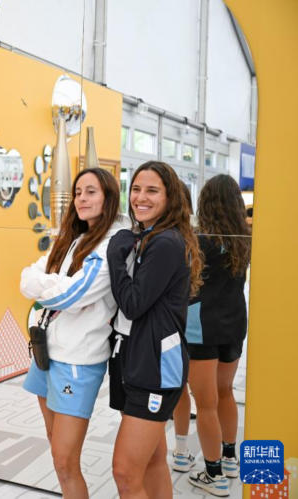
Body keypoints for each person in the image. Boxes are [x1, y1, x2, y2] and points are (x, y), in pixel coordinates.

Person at [21, 168, 127, 498]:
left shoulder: (111, 244)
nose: (81, 198)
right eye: (78, 192)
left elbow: (71, 296)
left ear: (109, 197)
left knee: (65, 462)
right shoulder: (72, 237)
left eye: (91, 192)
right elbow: (26, 278)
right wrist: (55, 284)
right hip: (46, 351)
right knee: (57, 450)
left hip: (77, 361)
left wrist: (50, 285)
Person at [107, 161, 203, 498]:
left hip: (154, 370)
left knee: (124, 473)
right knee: (152, 461)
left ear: (170, 197)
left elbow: (133, 304)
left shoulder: (164, 243)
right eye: (136, 189)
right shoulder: (151, 237)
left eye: (152, 191)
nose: (140, 197)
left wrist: (115, 256)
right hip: (139, 361)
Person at [171, 174, 250, 496]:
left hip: (200, 328)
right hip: (234, 324)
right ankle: (230, 459)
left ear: (205, 202)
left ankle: (214, 475)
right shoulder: (244, 238)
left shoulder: (197, 240)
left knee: (205, 404)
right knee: (225, 392)